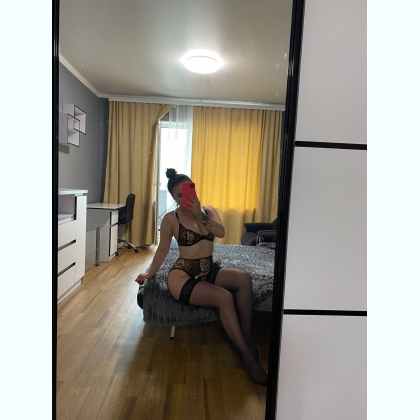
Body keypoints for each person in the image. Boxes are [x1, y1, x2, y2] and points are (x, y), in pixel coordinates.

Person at [135, 168, 268, 386]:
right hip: (183, 275)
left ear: (194, 189)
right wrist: (150, 273)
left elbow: (220, 232)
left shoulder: (208, 210)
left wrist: (198, 212)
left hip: (208, 269)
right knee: (224, 297)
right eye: (179, 196)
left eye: (188, 192)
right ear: (174, 198)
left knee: (244, 278)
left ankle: (246, 337)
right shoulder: (170, 218)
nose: (185, 198)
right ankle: (247, 358)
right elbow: (162, 249)